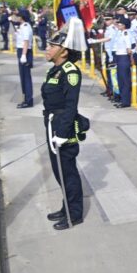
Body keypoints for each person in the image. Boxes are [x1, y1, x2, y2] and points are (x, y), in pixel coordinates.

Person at [42, 17, 88, 230]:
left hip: (63, 127)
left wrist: (62, 132)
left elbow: (71, 106)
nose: (48, 48)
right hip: (52, 123)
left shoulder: (70, 72)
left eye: (52, 46)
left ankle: (74, 215)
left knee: (67, 172)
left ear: (64, 51)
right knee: (59, 171)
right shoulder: (55, 69)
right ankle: (66, 207)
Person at [112, 17, 133, 108]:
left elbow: (129, 48)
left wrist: (131, 58)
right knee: (120, 80)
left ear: (124, 25)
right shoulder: (120, 33)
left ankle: (126, 102)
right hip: (119, 57)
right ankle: (122, 99)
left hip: (124, 57)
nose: (118, 25)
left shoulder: (126, 33)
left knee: (124, 80)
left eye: (120, 24)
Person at [16, 9, 35, 108]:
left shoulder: (26, 27)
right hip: (22, 51)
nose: (17, 17)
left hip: (25, 52)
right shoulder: (23, 26)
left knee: (26, 77)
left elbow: (26, 42)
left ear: (22, 17)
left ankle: (28, 100)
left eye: (18, 15)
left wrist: (23, 55)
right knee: (23, 77)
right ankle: (26, 98)